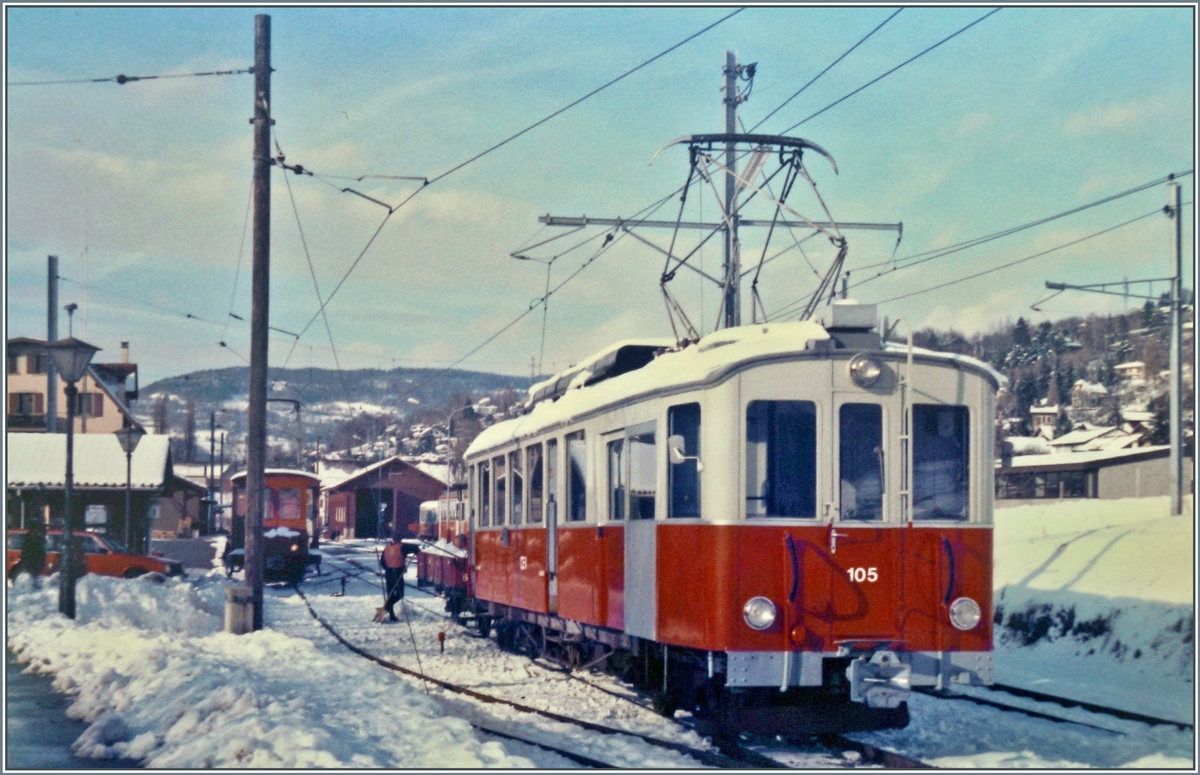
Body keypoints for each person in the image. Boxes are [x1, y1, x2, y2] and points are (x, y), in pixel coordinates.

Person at [379, 535, 406, 622]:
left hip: (389, 573)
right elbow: (413, 548)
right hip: (397, 573)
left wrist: (388, 568)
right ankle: (387, 608)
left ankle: (391, 615)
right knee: (400, 593)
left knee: (390, 594)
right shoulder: (401, 547)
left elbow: (382, 562)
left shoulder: (386, 548)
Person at [15, 519, 47, 586]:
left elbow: (42, 551)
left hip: (36, 561)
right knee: (31, 578)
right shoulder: (29, 539)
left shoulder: (38, 539)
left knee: (35, 577)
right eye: (33, 530)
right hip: (30, 561)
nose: (35, 532)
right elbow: (25, 551)